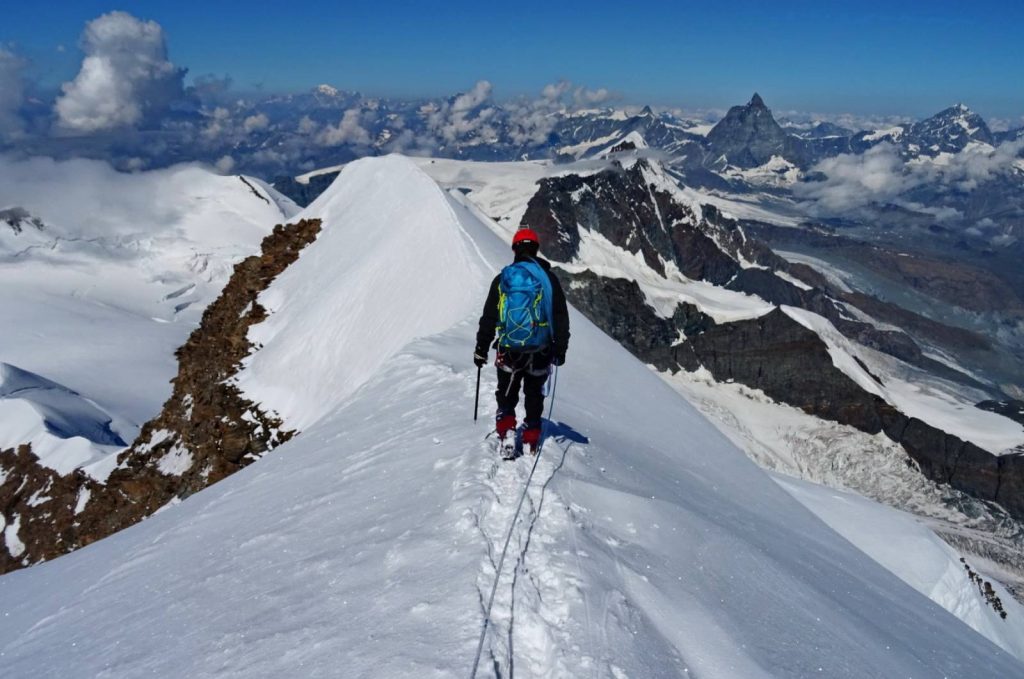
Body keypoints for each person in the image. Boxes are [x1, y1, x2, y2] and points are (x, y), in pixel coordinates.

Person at [474, 228, 570, 454]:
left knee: (506, 391)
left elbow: (490, 316)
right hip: (540, 349)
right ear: (536, 249)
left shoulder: (503, 279)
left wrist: (481, 348)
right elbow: (559, 316)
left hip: (509, 348)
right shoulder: (548, 279)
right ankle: (531, 438)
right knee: (534, 393)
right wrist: (560, 348)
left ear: (515, 249)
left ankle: (507, 430)